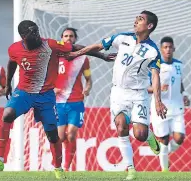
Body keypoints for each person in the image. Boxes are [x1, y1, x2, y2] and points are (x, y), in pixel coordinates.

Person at [0, 20, 116, 179]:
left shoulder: (51, 45)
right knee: (7, 114)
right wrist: (9, 85)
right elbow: (12, 62)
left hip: (46, 96)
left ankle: (58, 167)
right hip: (24, 92)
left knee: (53, 135)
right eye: (33, 33)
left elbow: (77, 48)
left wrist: (102, 56)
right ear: (24, 36)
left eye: (37, 31)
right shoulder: (15, 48)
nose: (37, 35)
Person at [66, 11, 167, 180]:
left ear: (149, 26)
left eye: (140, 19)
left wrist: (158, 101)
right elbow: (98, 46)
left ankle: (149, 136)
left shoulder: (152, 51)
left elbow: (155, 76)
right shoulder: (122, 38)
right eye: (136, 18)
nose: (136, 21)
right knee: (121, 126)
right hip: (118, 92)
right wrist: (77, 53)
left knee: (140, 134)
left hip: (138, 94)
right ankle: (130, 168)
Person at [149, 36, 190, 172]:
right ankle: (165, 171)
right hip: (161, 108)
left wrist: (184, 96)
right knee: (164, 140)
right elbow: (147, 87)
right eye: (165, 47)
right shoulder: (155, 66)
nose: (168, 50)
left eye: (170, 47)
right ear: (161, 49)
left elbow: (180, 83)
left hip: (177, 107)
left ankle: (163, 153)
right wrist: (158, 88)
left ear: (174, 48)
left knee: (179, 138)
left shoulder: (179, 64)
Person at [55, 28, 92, 171]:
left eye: (71, 36)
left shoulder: (83, 58)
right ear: (61, 38)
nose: (68, 38)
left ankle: (66, 166)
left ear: (75, 39)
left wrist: (87, 87)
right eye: (65, 36)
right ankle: (58, 161)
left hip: (76, 102)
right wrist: (52, 89)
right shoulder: (55, 57)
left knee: (71, 134)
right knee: (59, 137)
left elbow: (88, 79)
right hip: (58, 102)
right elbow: (47, 78)